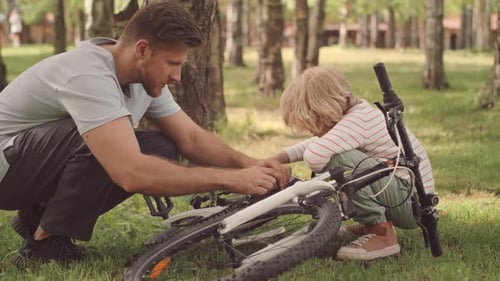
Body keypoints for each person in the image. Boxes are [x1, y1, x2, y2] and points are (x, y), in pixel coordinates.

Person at [0, 1, 290, 266]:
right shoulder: (87, 75)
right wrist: (232, 180)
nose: (177, 77)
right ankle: (43, 247)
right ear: (142, 49)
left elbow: (191, 138)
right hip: (5, 171)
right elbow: (130, 172)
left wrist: (250, 165)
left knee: (160, 146)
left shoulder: (143, 78)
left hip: (27, 164)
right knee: (102, 138)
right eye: (172, 64)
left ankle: (37, 218)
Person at [272, 66, 435, 261]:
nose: (311, 132)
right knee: (335, 151)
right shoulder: (357, 116)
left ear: (324, 111)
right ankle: (370, 223)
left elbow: (315, 156)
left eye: (312, 124)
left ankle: (381, 233)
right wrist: (277, 158)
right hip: (409, 196)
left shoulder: (359, 121)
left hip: (410, 202)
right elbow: (318, 143)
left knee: (337, 159)